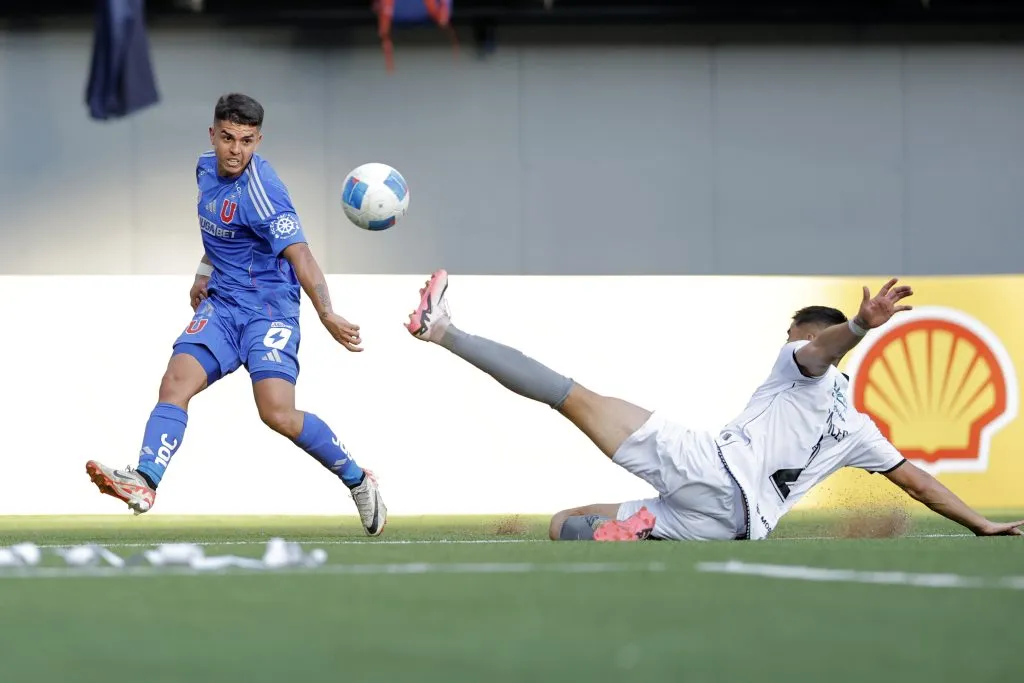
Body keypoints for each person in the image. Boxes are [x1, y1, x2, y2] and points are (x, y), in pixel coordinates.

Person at [404, 270, 1023, 541]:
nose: (785, 341)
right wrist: (982, 524)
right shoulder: (859, 428)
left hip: (711, 467)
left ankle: (443, 330)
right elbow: (916, 482)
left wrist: (859, 325)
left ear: (808, 336)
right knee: (564, 523)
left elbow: (821, 350)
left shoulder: (800, 362)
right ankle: (632, 534)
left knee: (571, 396)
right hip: (732, 528)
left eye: (791, 333)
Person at [85, 93, 387, 536]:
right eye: (228, 138)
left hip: (269, 312)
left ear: (258, 141)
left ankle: (359, 481)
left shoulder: (265, 193)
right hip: (223, 305)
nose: (235, 150)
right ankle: (145, 480)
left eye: (246, 141)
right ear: (213, 135)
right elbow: (221, 231)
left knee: (277, 413)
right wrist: (204, 271)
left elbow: (301, 256)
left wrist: (327, 313)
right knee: (175, 382)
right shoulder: (204, 168)